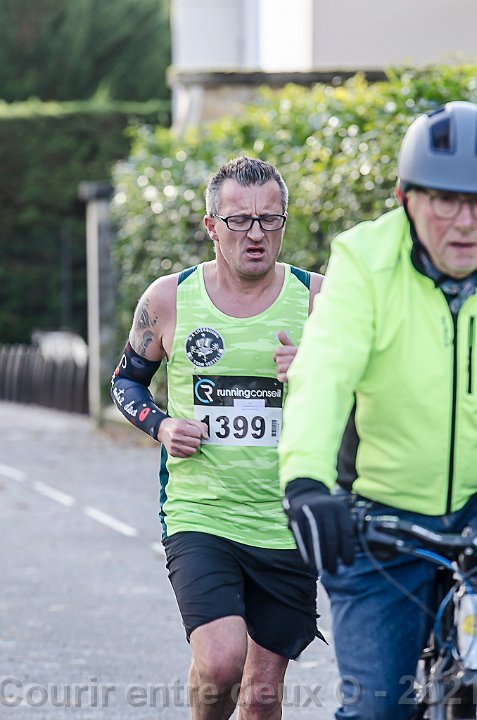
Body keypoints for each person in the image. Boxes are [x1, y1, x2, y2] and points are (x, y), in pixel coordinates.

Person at [279, 101, 477, 720]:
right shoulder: (366, 261)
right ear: (405, 198)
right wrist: (305, 481)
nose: (466, 223)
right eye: (445, 201)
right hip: (381, 521)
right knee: (376, 709)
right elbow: (324, 372)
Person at [111, 156, 324, 720]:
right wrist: (161, 425)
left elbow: (372, 393)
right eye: (239, 220)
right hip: (202, 512)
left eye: (269, 219)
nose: (256, 234)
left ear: (283, 222)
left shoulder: (321, 301)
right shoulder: (169, 299)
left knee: (261, 694)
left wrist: (319, 370)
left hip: (290, 519)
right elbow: (126, 381)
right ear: (211, 226)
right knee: (221, 663)